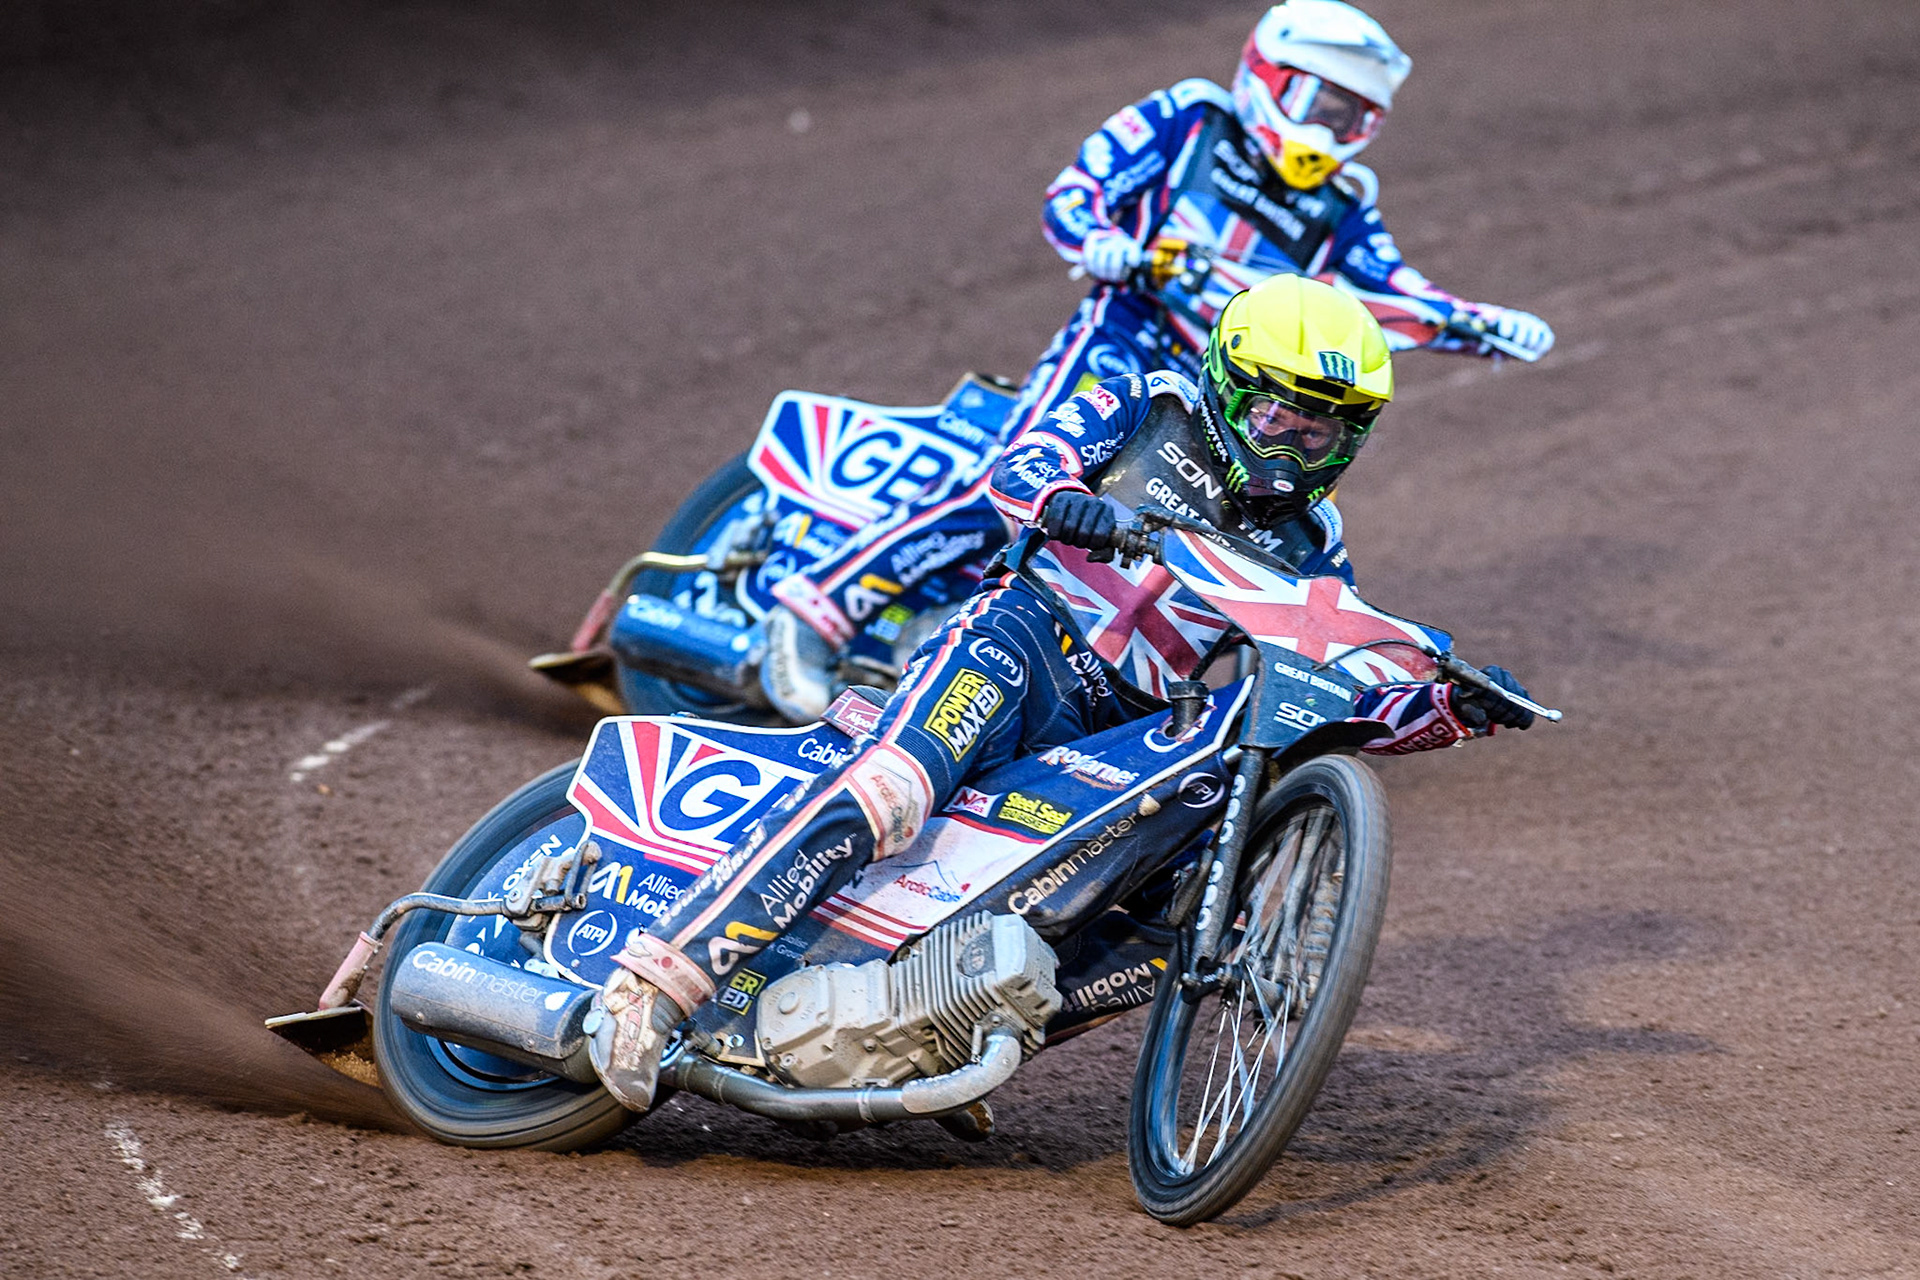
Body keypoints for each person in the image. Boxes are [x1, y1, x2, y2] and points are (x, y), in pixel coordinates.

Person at [587, 275, 1536, 1110]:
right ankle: (654, 984)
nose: (1296, 443)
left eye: (1323, 426)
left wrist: (1449, 709)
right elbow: (1021, 467)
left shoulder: (1315, 542)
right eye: (1280, 414)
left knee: (1171, 913)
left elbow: (1334, 675)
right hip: (1021, 643)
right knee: (895, 792)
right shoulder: (1147, 406)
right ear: (1229, 384)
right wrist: (1059, 502)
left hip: (1122, 727)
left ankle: (933, 1030)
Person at [758, 0, 1553, 723]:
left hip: (1230, 399)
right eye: (1321, 106)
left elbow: (1392, 292)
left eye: (1354, 120)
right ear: (1267, 77)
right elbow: (1077, 192)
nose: (1331, 133)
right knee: (1020, 478)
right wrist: (1106, 242)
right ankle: (814, 611)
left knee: (1216, 545)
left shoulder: (1345, 203)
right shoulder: (1191, 117)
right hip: (1125, 337)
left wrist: (1481, 323)